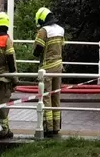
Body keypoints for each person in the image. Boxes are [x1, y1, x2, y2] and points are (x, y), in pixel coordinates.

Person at [33, 7, 65, 136]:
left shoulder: (43, 31)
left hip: (47, 68)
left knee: (46, 96)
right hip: (59, 67)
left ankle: (48, 128)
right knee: (56, 96)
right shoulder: (60, 30)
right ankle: (56, 126)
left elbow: (37, 51)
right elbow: (63, 46)